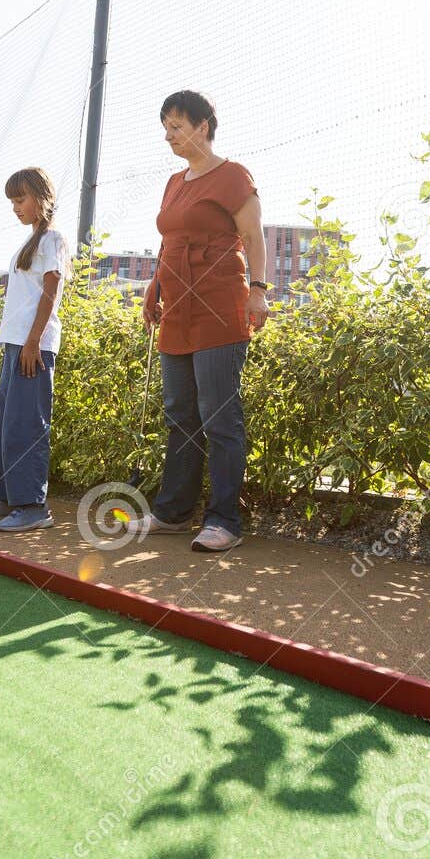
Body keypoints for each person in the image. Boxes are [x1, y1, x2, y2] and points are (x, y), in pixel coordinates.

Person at [129, 90, 269, 552]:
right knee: (180, 415)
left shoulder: (233, 176)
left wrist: (258, 292)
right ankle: (172, 512)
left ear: (203, 126)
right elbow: (172, 242)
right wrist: (155, 288)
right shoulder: (174, 182)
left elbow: (252, 236)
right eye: (165, 127)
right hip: (178, 311)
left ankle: (224, 520)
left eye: (176, 125)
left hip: (219, 307)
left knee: (219, 417)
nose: (168, 136)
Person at [0, 167, 68, 532]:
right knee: (3, 424)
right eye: (12, 201)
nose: (15, 207)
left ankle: (33, 506)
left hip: (35, 347)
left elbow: (51, 290)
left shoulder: (53, 239)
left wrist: (33, 341)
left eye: (20, 199)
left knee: (26, 424)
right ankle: (5, 500)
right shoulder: (30, 242)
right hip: (15, 346)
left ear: (41, 199)